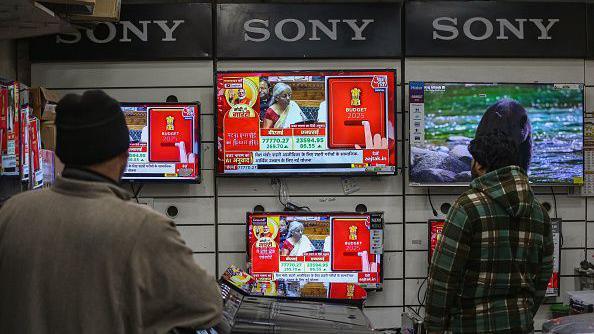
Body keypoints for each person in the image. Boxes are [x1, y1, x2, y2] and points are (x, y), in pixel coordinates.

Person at [0, 90, 222, 334]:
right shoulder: (144, 227)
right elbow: (207, 305)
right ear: (123, 153)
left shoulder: (11, 212)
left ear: (61, 153)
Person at [424, 130, 553, 334]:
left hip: (471, 325)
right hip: (520, 324)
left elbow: (443, 278)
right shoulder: (539, 212)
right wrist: (524, 313)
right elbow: (543, 277)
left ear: (480, 165)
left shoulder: (467, 207)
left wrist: (433, 328)